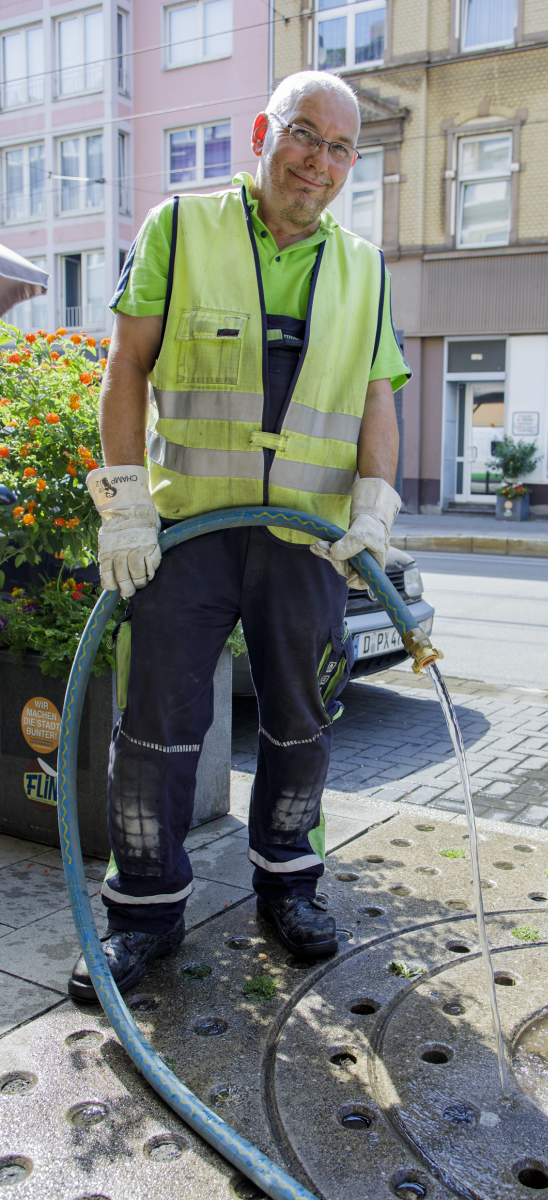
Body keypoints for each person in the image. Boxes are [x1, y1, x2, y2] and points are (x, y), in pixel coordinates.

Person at [68, 71, 410, 1001]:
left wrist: (374, 507)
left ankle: (288, 888)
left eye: (343, 149)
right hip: (188, 532)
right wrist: (128, 503)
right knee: (155, 732)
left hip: (305, 544)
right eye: (306, 136)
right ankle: (144, 915)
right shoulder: (181, 229)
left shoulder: (364, 267)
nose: (322, 163)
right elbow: (126, 365)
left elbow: (378, 395)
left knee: (301, 728)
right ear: (263, 133)